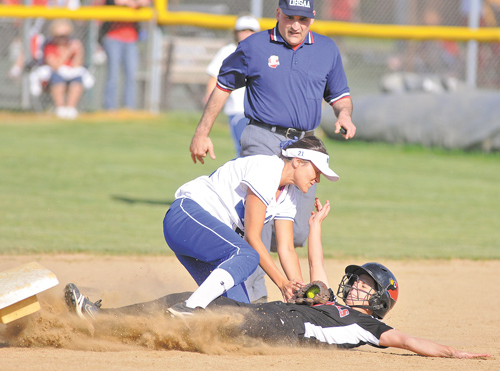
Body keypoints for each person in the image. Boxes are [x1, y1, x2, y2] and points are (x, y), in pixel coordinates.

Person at [63, 199, 490, 359]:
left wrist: (455, 353)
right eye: (357, 280)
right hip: (258, 311)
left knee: (197, 320)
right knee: (186, 300)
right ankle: (98, 320)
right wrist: (317, 223)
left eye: (367, 286)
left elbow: (412, 343)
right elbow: (317, 263)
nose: (357, 286)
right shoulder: (329, 300)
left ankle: (135, 330)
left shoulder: (370, 327)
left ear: (380, 302)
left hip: (270, 331)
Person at [189, 0, 356, 303]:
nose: (295, 25)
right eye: (290, 17)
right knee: (258, 224)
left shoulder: (326, 50)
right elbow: (223, 86)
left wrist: (344, 114)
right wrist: (202, 131)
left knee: (295, 232)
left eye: (303, 19)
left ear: (313, 19)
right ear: (278, 13)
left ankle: (296, 293)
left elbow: (340, 96)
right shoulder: (254, 46)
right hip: (263, 137)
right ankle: (254, 299)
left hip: (306, 144)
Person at [163, 136, 340, 314]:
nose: (317, 179)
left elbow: (286, 248)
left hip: (211, 244)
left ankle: (154, 318)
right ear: (298, 161)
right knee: (247, 255)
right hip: (186, 218)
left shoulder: (289, 194)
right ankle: (189, 308)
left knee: (240, 314)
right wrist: (282, 283)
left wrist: (300, 294)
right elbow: (251, 238)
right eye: (316, 171)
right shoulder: (268, 169)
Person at [204, 15, 261, 156]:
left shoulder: (263, 51)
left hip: (260, 111)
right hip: (238, 110)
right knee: (244, 149)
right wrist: (209, 100)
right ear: (235, 32)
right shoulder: (228, 51)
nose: (246, 34)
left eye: (250, 30)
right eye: (243, 30)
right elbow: (214, 77)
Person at [30, 19, 94, 119]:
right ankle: (60, 109)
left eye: (65, 36)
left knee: (77, 79)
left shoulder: (73, 45)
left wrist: (78, 53)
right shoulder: (50, 46)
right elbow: (55, 65)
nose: (63, 39)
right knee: (58, 78)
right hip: (53, 76)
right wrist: (68, 52)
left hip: (70, 75)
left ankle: (70, 109)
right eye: (60, 36)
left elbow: (77, 66)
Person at [100, 0, 152, 110]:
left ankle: (128, 106)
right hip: (113, 38)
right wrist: (132, 2)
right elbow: (117, 2)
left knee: (131, 74)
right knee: (113, 73)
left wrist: (139, 1)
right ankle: (110, 106)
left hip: (131, 40)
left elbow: (146, 1)